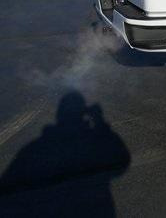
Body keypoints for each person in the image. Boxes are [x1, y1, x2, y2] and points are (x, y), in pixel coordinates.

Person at [0, 91, 130, 217]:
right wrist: (99, 121)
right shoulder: (94, 139)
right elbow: (122, 160)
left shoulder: (34, 147)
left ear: (59, 114)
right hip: (95, 207)